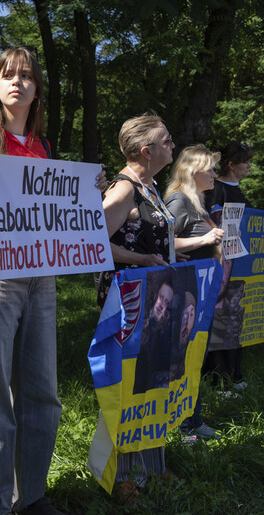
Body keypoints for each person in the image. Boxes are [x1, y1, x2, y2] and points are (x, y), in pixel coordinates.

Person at [0, 47, 104, 515]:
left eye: (26, 76)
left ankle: (31, 497)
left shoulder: (41, 148)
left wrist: (88, 197)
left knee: (42, 387)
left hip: (43, 271)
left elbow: (59, 216)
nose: (16, 82)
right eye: (7, 75)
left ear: (37, 90)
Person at [95, 113, 175, 496]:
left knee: (152, 380)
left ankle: (150, 463)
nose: (173, 145)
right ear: (147, 151)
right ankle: (118, 474)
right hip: (127, 300)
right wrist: (142, 260)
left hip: (153, 295)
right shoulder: (124, 189)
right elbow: (92, 243)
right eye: (167, 140)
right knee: (126, 383)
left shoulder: (152, 185)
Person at [164, 144, 224, 440]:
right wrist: (207, 239)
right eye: (211, 168)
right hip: (186, 293)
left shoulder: (196, 201)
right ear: (193, 171)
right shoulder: (178, 201)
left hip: (199, 292)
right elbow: (165, 244)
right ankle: (185, 426)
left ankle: (193, 419)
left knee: (194, 356)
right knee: (186, 358)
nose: (215, 174)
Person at [201, 142, 253, 389]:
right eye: (245, 161)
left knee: (234, 322)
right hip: (221, 269)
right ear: (231, 163)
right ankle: (219, 377)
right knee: (220, 322)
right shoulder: (216, 189)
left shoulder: (240, 192)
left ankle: (235, 372)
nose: (249, 166)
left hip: (240, 271)